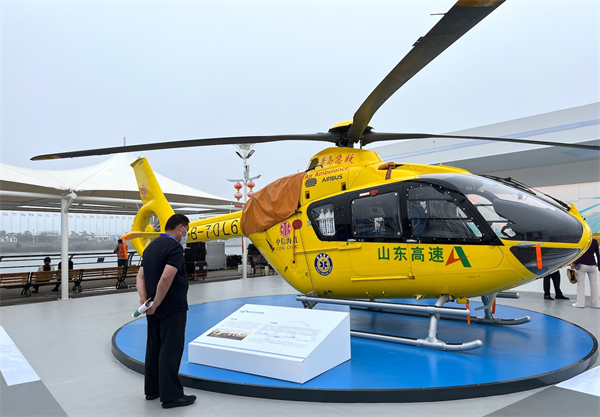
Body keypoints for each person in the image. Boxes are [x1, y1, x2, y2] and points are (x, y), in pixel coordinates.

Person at [135, 214, 196, 409]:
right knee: (171, 348)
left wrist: (145, 299)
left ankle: (153, 389)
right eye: (186, 229)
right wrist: (157, 302)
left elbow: (140, 276)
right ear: (180, 227)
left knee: (154, 347)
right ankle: (171, 396)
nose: (185, 233)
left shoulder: (151, 247)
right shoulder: (174, 247)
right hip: (171, 307)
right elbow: (166, 278)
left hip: (153, 307)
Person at [572, 237, 600, 308]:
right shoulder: (594, 241)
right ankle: (596, 304)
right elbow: (598, 254)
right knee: (594, 285)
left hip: (582, 265)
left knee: (581, 284)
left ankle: (580, 304)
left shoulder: (582, 240)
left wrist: (574, 262)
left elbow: (578, 253)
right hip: (592, 265)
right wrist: (599, 266)